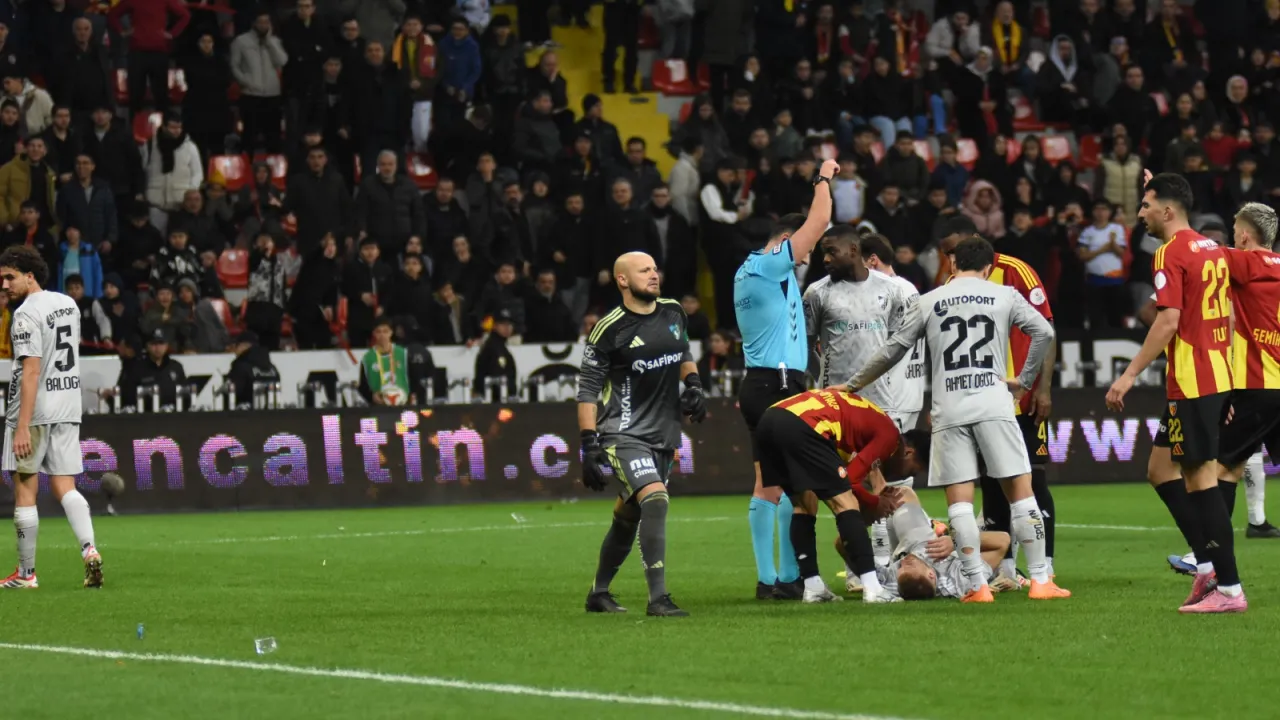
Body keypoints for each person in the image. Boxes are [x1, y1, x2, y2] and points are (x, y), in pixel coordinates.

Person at [846, 235, 1066, 603]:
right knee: (1021, 494)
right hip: (993, 402)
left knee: (960, 503)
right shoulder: (1005, 295)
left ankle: (977, 587)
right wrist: (1025, 380)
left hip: (948, 408)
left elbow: (894, 349)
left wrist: (852, 384)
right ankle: (1042, 581)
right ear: (989, 268)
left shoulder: (929, 300)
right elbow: (1043, 331)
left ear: (952, 264)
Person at [1105, 172, 1245, 614]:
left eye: (1146, 205)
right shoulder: (1212, 248)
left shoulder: (1169, 252)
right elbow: (1229, 316)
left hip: (1194, 380)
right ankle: (1205, 565)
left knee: (1200, 479)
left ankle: (1229, 588)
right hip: (1217, 374)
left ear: (1167, 211)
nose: (1140, 213)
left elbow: (1167, 321)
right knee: (1159, 468)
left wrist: (1128, 375)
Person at [579, 251, 706, 617]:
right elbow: (587, 390)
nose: (654, 275)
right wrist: (589, 444)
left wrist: (694, 385)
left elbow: (682, 352)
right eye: (644, 270)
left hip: (664, 434)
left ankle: (598, 593)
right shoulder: (609, 328)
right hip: (624, 434)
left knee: (628, 515)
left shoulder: (673, 311)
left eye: (654, 269)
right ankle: (658, 598)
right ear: (622, 280)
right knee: (656, 498)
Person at [733, 157, 837, 600]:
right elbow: (820, 220)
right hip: (776, 385)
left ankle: (771, 580)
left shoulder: (754, 272)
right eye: (803, 251)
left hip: (766, 382)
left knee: (769, 483)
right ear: (785, 242)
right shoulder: (767, 265)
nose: (805, 259)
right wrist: (824, 177)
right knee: (799, 485)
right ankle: (794, 577)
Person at [936, 216, 1060, 584]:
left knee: (1032, 479)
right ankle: (1005, 568)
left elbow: (1046, 328)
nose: (951, 259)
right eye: (946, 253)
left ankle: (1045, 565)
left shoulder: (1015, 271)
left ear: (974, 240)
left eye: (955, 250)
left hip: (1020, 397)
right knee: (991, 482)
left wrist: (1043, 388)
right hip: (979, 400)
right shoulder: (950, 284)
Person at [804, 227, 924, 583]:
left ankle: (886, 562)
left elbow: (898, 345)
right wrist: (822, 382)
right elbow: (805, 345)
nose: (826, 259)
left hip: (880, 403)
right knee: (845, 487)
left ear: (854, 250)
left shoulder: (892, 290)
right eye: (823, 253)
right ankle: (860, 569)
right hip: (837, 407)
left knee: (885, 485)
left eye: (832, 251)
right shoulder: (817, 293)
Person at [757, 389, 929, 603]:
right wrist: (876, 503)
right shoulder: (889, 437)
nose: (904, 476)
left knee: (804, 504)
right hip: (803, 424)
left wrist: (872, 498)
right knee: (845, 503)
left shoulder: (868, 426)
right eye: (911, 471)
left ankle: (813, 586)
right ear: (908, 452)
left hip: (769, 421)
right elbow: (851, 480)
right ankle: (873, 589)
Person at [0, 245, 102, 590]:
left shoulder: (25, 315)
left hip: (36, 410)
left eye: (10, 277)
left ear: (30, 276)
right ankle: (89, 550)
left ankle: (26, 574)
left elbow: (31, 371)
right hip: (68, 406)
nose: (4, 285)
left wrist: (22, 425)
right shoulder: (68, 304)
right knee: (64, 485)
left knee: (25, 489)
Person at [840, 486, 1014, 601]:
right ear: (931, 575)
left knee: (899, 495)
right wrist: (956, 541)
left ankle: (856, 576)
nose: (905, 561)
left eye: (901, 566)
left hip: (913, 542)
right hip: (937, 545)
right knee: (994, 512)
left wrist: (864, 520)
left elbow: (841, 543)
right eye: (911, 563)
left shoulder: (890, 581)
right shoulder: (959, 580)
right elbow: (1003, 540)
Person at [230, 12, 289, 155]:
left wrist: (269, 42)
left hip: (272, 94)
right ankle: (248, 164)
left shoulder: (275, 41)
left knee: (273, 136)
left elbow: (282, 61)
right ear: (254, 23)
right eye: (260, 22)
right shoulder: (241, 41)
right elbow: (234, 65)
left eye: (266, 22)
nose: (263, 25)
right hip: (250, 94)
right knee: (249, 135)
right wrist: (245, 82)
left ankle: (273, 165)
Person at [115, 327, 188, 409]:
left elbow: (185, 393)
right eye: (154, 344)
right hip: (145, 414)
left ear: (167, 345)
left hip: (173, 413)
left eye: (161, 343)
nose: (158, 348)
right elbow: (126, 396)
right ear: (147, 346)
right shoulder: (136, 368)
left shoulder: (176, 367)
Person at [226, 330, 280, 408]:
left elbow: (232, 392)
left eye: (237, 345)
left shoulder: (241, 366)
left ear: (244, 345)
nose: (235, 351)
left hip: (246, 413)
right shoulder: (272, 368)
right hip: (272, 412)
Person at [473, 309, 518, 400]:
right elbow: (495, 377)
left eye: (509, 324)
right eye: (502, 324)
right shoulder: (492, 348)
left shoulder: (500, 347)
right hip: (494, 401)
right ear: (494, 326)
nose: (507, 327)